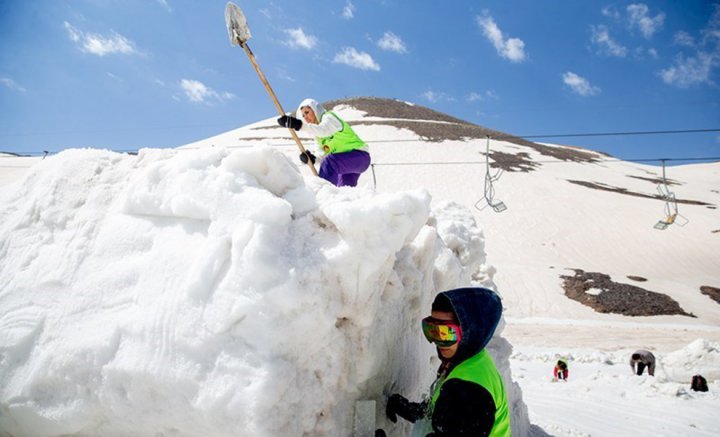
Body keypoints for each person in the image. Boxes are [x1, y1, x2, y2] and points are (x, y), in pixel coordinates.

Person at [384, 287, 511, 436]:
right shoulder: (473, 359)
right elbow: (447, 415)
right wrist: (408, 409)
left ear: (471, 333)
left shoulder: (468, 390)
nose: (437, 342)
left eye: (446, 333)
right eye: (432, 330)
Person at [277, 98, 371, 187]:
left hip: (360, 157)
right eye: (303, 116)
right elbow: (321, 154)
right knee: (343, 190)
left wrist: (298, 125)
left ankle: (323, 196)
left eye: (307, 112)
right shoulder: (318, 137)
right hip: (345, 163)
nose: (306, 117)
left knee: (330, 162)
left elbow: (324, 130)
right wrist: (312, 159)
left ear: (315, 110)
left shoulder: (329, 117)